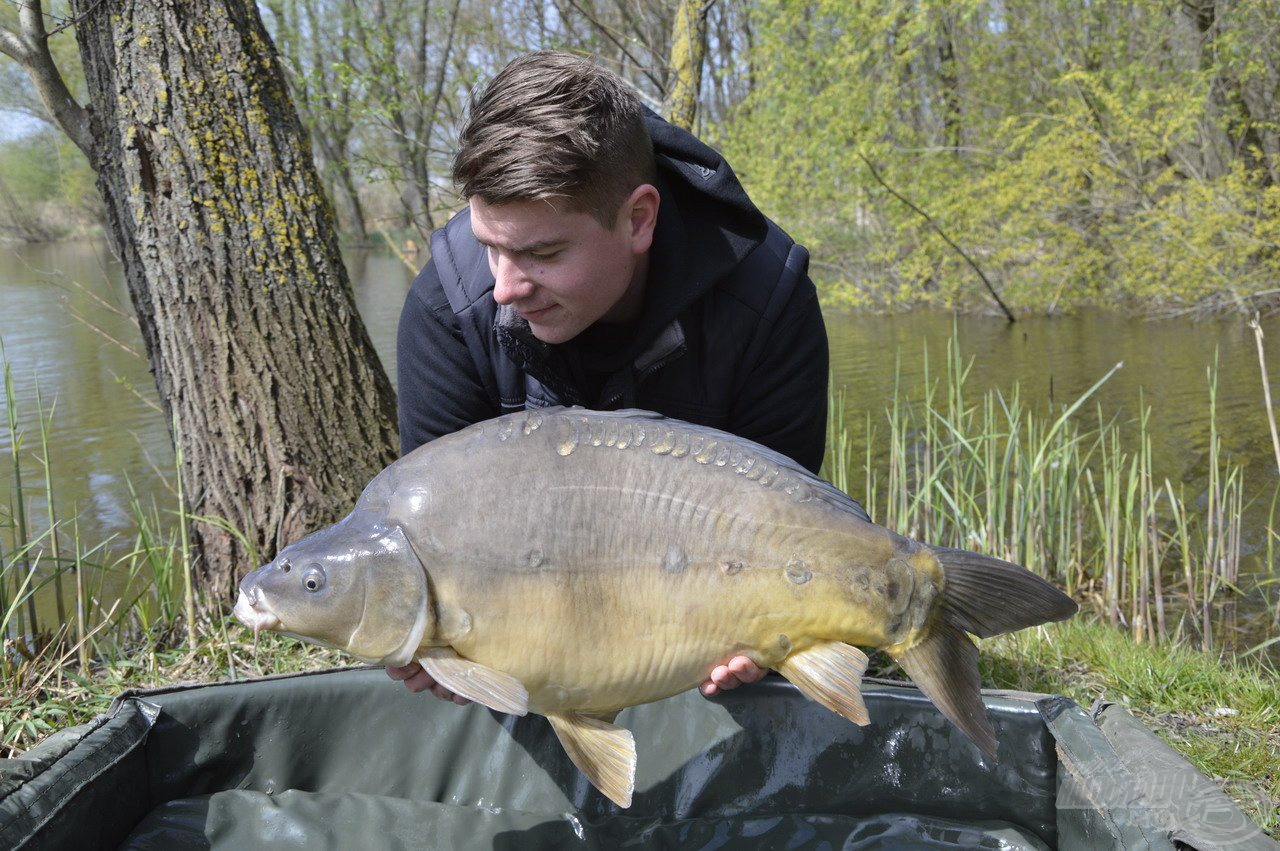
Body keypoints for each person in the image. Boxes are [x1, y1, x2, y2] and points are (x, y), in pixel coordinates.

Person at [386, 51, 832, 705]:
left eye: (542, 253)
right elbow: (441, 539)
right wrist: (452, 652)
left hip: (704, 621)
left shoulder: (769, 301)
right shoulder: (450, 306)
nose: (505, 287)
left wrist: (766, 638)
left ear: (639, 219)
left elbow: (790, 528)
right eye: (489, 242)